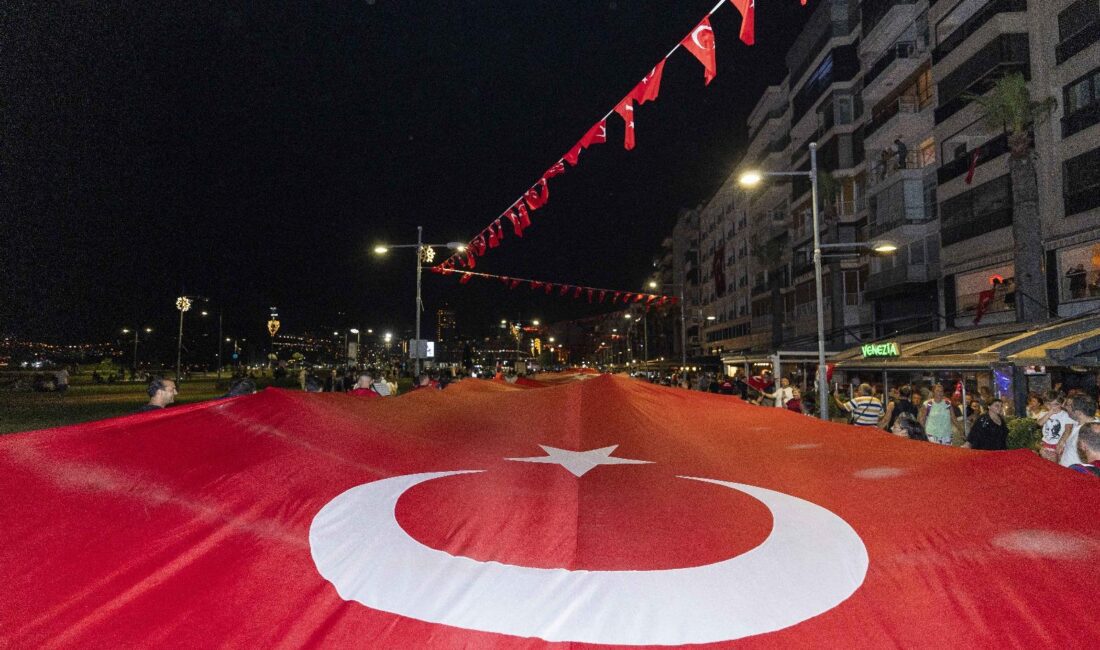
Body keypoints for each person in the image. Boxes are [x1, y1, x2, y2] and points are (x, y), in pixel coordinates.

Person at [1056, 394, 1099, 467]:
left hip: (1075, 474)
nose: (1065, 407)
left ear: (1078, 413)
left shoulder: (1090, 433)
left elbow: (1091, 461)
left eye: (1069, 406)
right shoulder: (1079, 422)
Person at [1036, 392, 1074, 462]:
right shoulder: (1043, 413)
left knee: (1057, 463)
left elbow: (1068, 429)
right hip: (1045, 443)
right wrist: (1050, 413)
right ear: (1045, 404)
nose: (1052, 407)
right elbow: (1039, 424)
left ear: (1061, 404)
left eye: (1055, 404)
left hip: (1058, 444)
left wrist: (1061, 443)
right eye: (1049, 404)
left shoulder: (1066, 415)